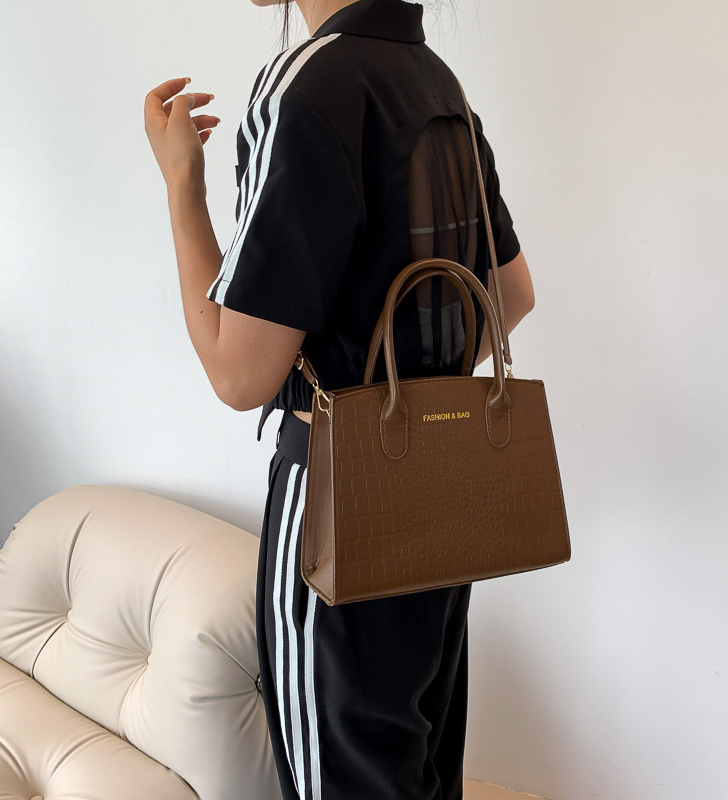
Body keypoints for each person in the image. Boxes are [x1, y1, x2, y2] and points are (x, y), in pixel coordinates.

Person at [144, 0, 536, 797]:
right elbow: (512, 294)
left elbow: (238, 375)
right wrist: (408, 383)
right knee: (419, 770)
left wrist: (183, 185)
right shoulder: (438, 83)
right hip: (444, 484)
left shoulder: (304, 88)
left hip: (340, 495)